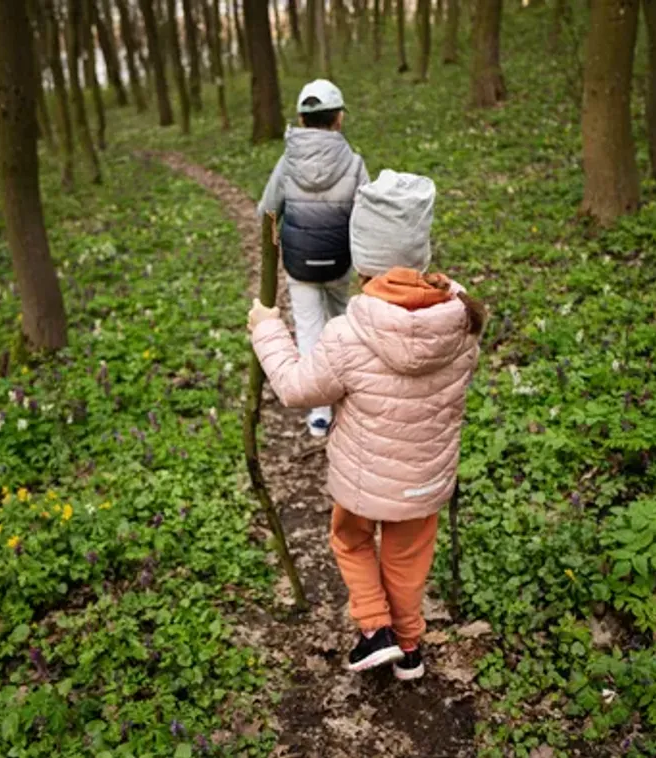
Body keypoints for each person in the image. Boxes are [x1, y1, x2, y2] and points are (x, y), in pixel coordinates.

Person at [247, 171, 484, 680]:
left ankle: (375, 628)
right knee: (407, 562)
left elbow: (296, 388)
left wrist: (267, 329)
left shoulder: (348, 334)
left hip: (362, 483)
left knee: (351, 540)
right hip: (424, 481)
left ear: (363, 257)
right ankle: (410, 648)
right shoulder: (462, 322)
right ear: (420, 251)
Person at [257, 78, 369, 438]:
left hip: (299, 264)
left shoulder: (287, 163)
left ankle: (319, 413)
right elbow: (366, 215)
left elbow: (266, 209)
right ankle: (349, 396)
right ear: (339, 118)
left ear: (302, 120)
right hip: (340, 261)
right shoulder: (354, 163)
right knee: (342, 322)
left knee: (309, 330)